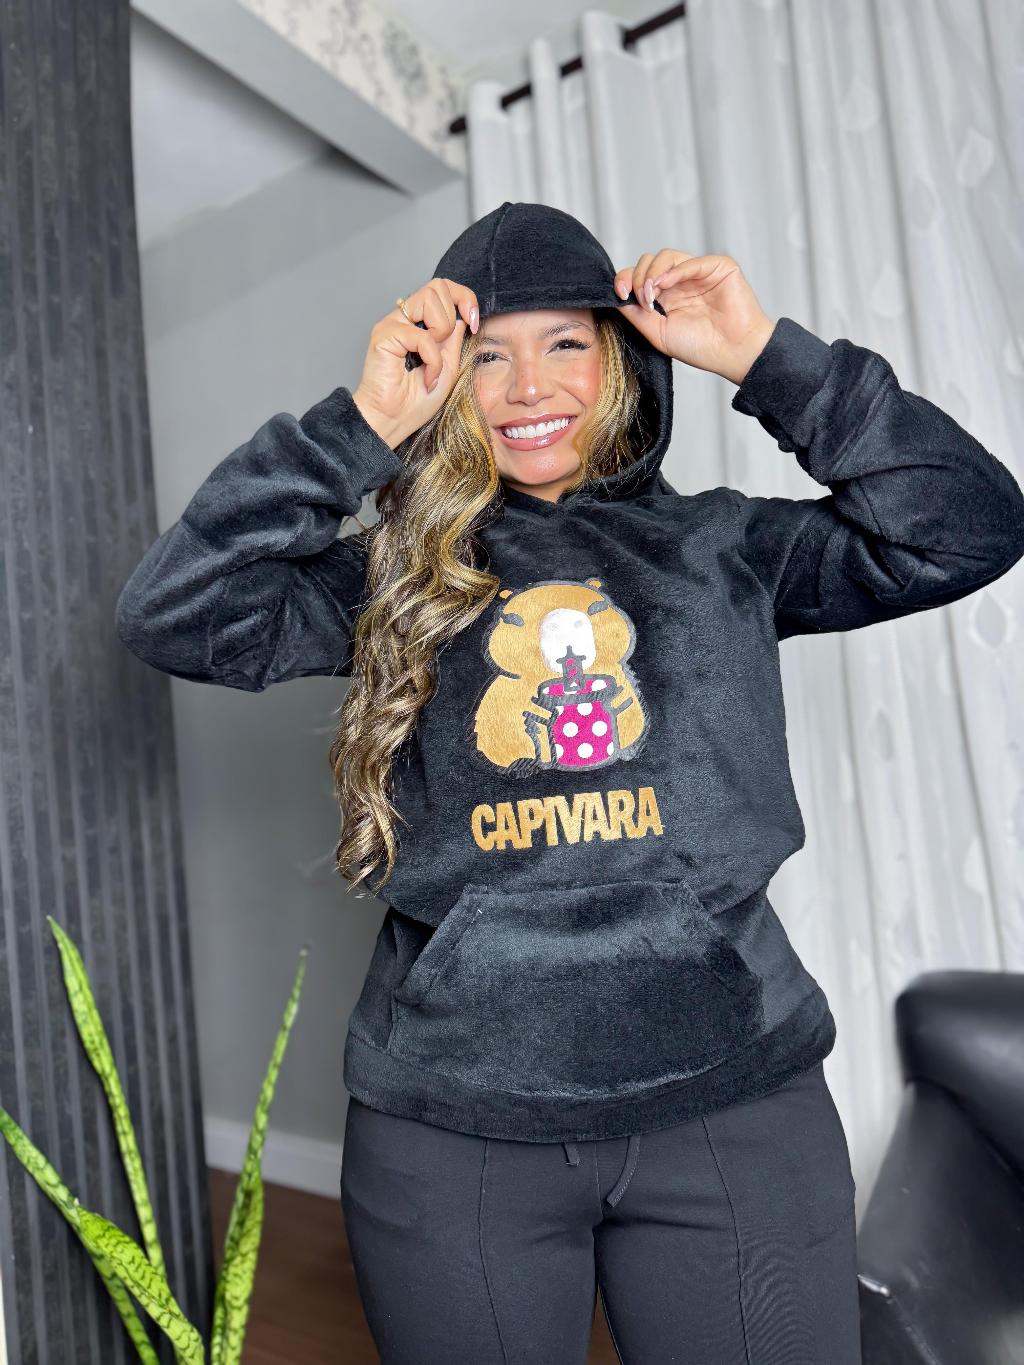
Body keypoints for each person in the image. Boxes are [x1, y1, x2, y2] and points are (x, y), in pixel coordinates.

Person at [116, 201, 1024, 1364]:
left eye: (563, 345)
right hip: (454, 1124)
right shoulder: (394, 577)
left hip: (731, 1099)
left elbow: (967, 526)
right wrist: (359, 427)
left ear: (623, 364)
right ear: (446, 382)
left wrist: (764, 356)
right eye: (487, 356)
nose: (527, 386)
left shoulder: (728, 547)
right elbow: (173, 612)